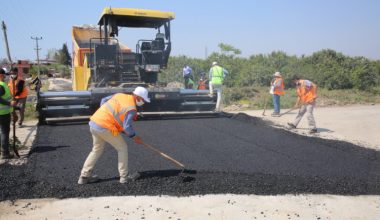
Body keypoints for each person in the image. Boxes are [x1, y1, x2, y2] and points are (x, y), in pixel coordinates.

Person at [78, 86, 150, 184]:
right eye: (143, 100)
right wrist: (135, 137)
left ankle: (84, 177)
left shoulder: (120, 95)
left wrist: (105, 115)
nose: (143, 102)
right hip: (106, 127)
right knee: (122, 148)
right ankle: (124, 177)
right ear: (138, 97)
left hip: (94, 123)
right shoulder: (131, 108)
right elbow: (127, 127)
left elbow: (104, 100)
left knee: (96, 150)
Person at [0, 68, 16, 159]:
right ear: (1, 75)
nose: (5, 77)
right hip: (3, 113)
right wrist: (9, 103)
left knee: (2, 131)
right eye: (4, 75)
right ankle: (5, 153)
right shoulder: (1, 85)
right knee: (4, 132)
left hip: (4, 112)